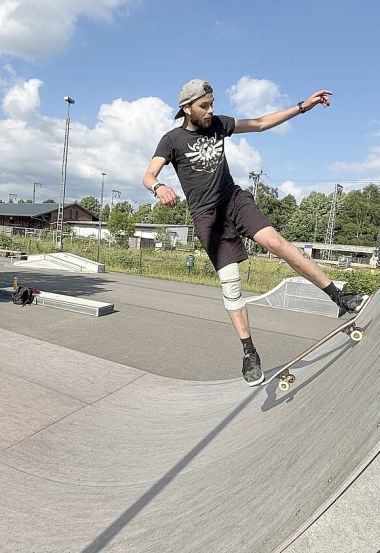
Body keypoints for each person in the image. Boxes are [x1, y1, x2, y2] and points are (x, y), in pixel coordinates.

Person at [142, 78, 367, 387]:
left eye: (212, 104)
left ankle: (339, 297)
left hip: (234, 200)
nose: (210, 111)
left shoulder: (220, 124)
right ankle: (249, 352)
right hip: (207, 217)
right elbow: (148, 174)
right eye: (204, 106)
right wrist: (159, 186)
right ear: (186, 108)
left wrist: (304, 106)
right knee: (230, 282)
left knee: (277, 243)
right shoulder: (171, 140)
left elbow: (260, 123)